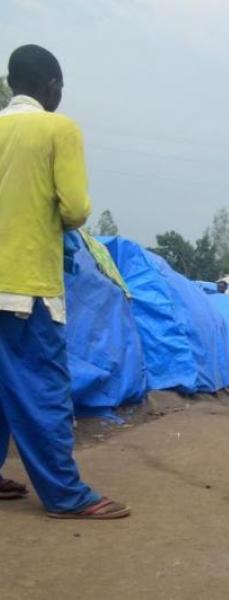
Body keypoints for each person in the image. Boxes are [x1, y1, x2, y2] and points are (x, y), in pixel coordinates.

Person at [0, 45, 130, 519]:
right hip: (26, 286)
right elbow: (74, 209)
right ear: (51, 87)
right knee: (45, 390)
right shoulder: (59, 129)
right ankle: (64, 495)